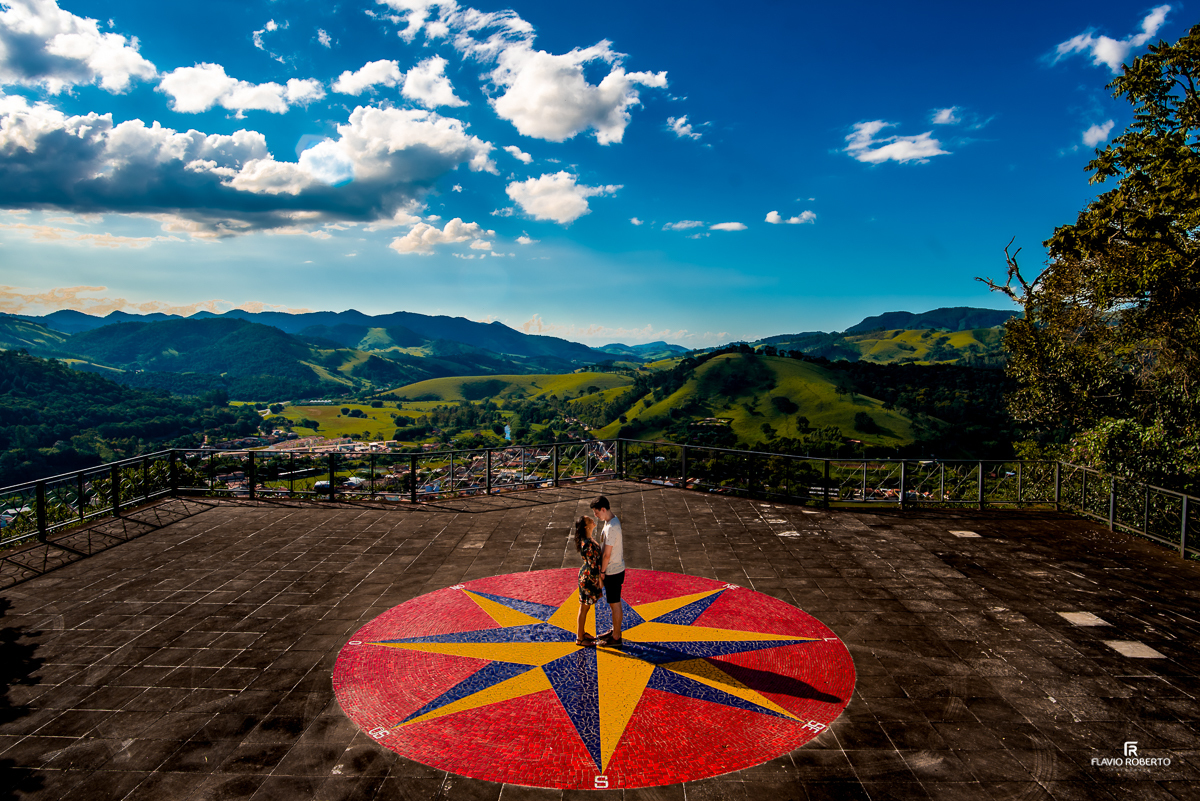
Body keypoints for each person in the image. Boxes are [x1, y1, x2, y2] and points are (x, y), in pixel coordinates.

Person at [590, 496, 625, 647]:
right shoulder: (612, 521)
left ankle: (616, 637)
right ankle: (614, 631)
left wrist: (602, 572)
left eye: (596, 512)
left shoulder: (611, 528)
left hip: (612, 571)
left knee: (614, 603)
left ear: (603, 509)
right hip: (616, 568)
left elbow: (607, 555)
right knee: (613, 602)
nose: (595, 516)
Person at [572, 516, 603, 647]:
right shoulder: (588, 544)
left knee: (585, 606)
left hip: (587, 576)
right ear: (586, 526)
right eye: (589, 520)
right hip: (588, 578)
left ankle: (582, 633)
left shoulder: (588, 540)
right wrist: (600, 580)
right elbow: (593, 565)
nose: (592, 520)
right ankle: (579, 637)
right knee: (584, 607)